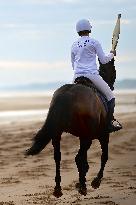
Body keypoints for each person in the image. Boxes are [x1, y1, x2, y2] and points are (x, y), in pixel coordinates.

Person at [71, 19, 122, 133]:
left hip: (76, 76)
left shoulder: (74, 44)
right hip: (92, 75)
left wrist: (80, 71)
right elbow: (103, 61)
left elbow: (73, 64)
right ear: (89, 29)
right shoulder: (94, 42)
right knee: (111, 97)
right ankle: (109, 123)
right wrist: (112, 54)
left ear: (77, 31)